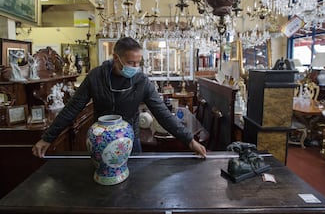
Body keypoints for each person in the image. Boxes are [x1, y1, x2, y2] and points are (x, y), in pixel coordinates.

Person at [32, 37, 207, 158]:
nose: (136, 67)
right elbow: (72, 108)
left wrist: (189, 141)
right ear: (116, 58)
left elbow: (163, 113)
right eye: (131, 63)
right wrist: (47, 138)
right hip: (101, 141)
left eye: (139, 63)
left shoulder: (141, 81)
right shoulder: (96, 77)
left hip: (131, 141)